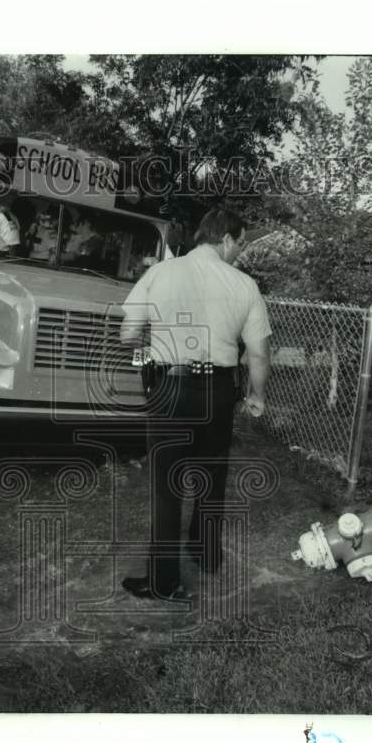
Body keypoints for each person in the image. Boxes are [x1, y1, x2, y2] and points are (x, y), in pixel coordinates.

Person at [119, 208, 271, 600]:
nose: (240, 252)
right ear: (224, 240)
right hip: (219, 391)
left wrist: (150, 360)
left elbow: (128, 334)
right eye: (240, 243)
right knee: (211, 475)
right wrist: (257, 396)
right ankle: (205, 555)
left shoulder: (160, 273)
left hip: (170, 387)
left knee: (167, 487)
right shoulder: (245, 285)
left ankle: (164, 581)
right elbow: (257, 353)